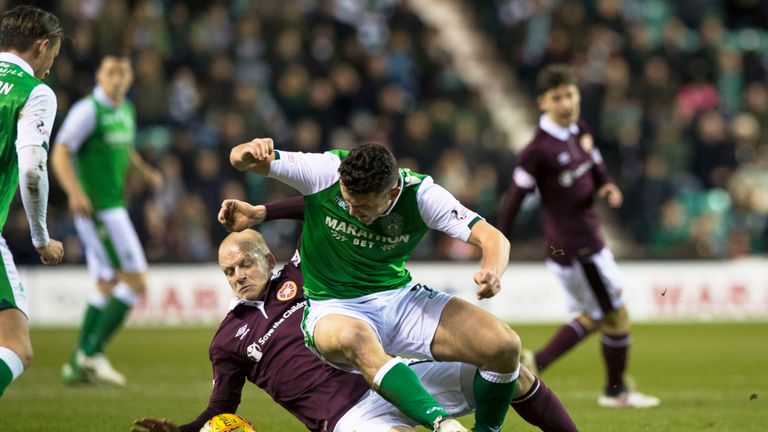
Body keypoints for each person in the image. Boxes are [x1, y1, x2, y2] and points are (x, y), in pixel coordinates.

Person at [132, 228, 579, 432]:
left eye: (245, 263)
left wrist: (267, 206)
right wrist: (185, 431)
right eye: (228, 270)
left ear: (268, 259)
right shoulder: (227, 340)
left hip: (396, 376)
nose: (238, 275)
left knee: (509, 369)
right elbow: (221, 409)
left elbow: (321, 208)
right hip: (347, 417)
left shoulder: (308, 274)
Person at [223, 141, 520, 432]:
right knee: (354, 337)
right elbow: (240, 159)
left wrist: (492, 271)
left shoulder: (423, 196)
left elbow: (493, 238)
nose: (352, 212)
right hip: (333, 308)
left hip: (398, 298)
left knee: (504, 346)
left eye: (363, 206)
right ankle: (443, 424)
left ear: (390, 193)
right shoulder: (325, 170)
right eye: (347, 201)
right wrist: (248, 153)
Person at [498, 64, 660, 409]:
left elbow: (595, 161)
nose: (566, 103)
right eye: (557, 97)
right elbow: (514, 198)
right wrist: (501, 242)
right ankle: (615, 392)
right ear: (543, 102)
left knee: (594, 315)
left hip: (586, 242)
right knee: (616, 316)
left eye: (570, 94)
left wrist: (607, 185)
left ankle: (534, 362)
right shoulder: (537, 151)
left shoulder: (577, 130)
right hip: (576, 247)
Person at [51, 53, 162, 386]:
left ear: (129, 79)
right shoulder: (88, 110)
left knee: (106, 283)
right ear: (99, 75)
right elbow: (61, 151)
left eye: (123, 73)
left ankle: (76, 364)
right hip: (99, 209)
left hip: (115, 206)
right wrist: (74, 192)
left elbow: (125, 148)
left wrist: (145, 172)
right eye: (111, 72)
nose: (117, 79)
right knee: (136, 281)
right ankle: (93, 353)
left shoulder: (125, 109)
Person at [0, 5, 65, 398]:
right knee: (16, 348)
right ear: (41, 47)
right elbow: (31, 169)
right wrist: (41, 237)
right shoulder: (34, 91)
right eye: (53, 58)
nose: (51, 68)